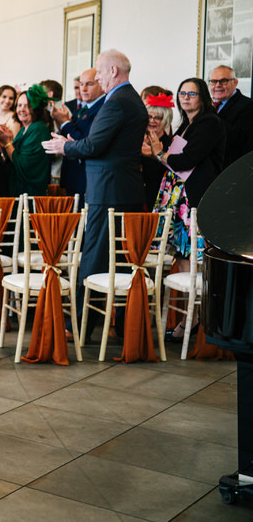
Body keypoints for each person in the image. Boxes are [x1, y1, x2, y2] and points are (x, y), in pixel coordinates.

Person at [42, 49, 148, 341]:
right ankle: (123, 327)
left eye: (99, 72)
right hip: (124, 188)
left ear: (113, 71)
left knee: (94, 257)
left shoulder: (117, 102)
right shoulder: (131, 99)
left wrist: (64, 146)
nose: (97, 78)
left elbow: (92, 146)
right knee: (122, 261)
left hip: (107, 190)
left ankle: (78, 325)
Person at [147, 77, 226, 340]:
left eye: (191, 94)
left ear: (203, 97)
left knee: (194, 260)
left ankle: (196, 320)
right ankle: (187, 320)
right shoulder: (186, 124)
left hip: (193, 200)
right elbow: (175, 159)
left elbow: (187, 159)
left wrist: (161, 154)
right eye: (182, 93)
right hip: (178, 197)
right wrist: (164, 154)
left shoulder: (209, 122)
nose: (185, 98)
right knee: (182, 258)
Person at [51, 68, 105, 199]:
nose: (83, 89)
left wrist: (65, 122)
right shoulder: (85, 107)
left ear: (102, 85)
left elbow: (84, 142)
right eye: (81, 84)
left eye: (89, 84)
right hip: (75, 177)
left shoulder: (102, 108)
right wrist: (62, 122)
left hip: (85, 179)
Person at [0, 87, 51, 196]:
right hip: (17, 189)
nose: (22, 110)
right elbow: (13, 157)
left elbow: (24, 165)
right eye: (19, 105)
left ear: (37, 108)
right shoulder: (24, 129)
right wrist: (3, 144)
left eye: (28, 106)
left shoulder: (38, 129)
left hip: (30, 192)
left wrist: (7, 143)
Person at [208, 65, 253, 167]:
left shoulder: (248, 105)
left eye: (223, 81)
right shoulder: (206, 105)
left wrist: (210, 114)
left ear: (235, 82)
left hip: (231, 168)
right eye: (213, 81)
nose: (218, 85)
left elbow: (240, 139)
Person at [140, 90, 173, 209]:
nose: (152, 120)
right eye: (149, 116)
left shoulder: (169, 144)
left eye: (157, 118)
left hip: (158, 198)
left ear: (165, 121)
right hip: (137, 197)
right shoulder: (137, 139)